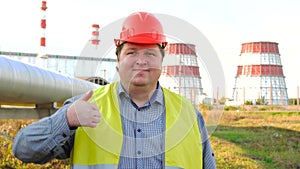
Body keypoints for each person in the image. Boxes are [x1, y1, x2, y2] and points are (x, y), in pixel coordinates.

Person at [13, 12, 216, 169]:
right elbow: (23, 149)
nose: (141, 60)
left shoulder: (189, 114)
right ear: (118, 61)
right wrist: (66, 119)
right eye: (132, 52)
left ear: (162, 60)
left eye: (150, 53)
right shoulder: (85, 106)